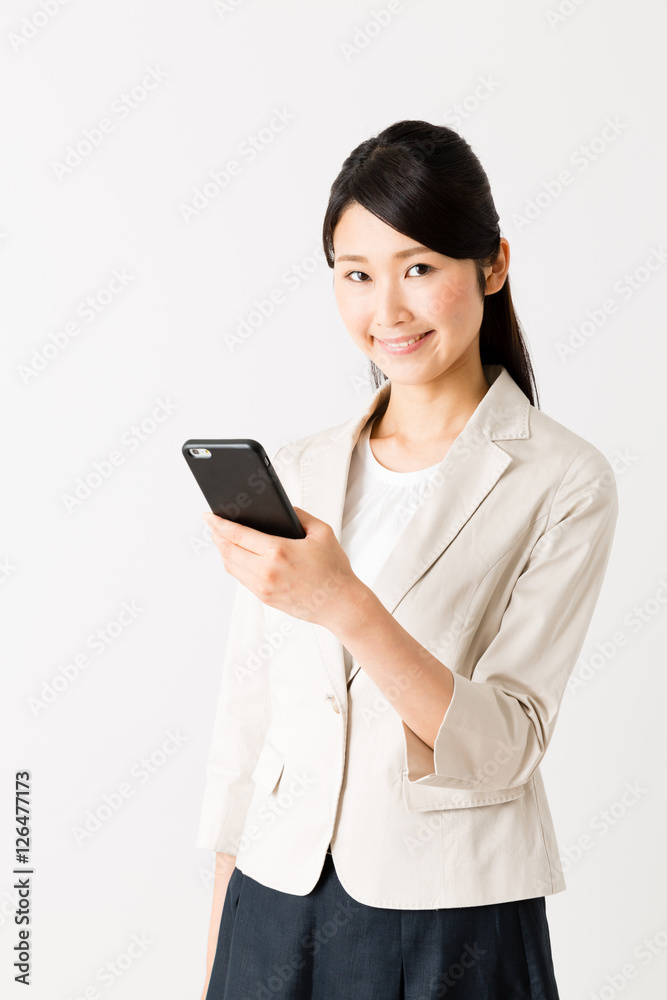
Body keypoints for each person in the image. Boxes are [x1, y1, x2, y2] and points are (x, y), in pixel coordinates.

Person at [196, 120, 618, 999]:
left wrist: (345, 602)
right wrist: (216, 945)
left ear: (492, 266)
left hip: (450, 916)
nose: (385, 311)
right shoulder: (305, 466)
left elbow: (507, 747)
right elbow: (248, 721)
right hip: (273, 906)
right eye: (356, 276)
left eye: (418, 269)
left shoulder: (564, 479)